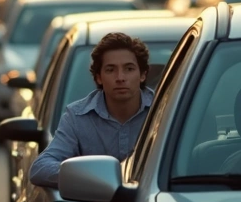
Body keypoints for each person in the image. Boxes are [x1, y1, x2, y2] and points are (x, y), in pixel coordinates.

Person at [29, 32, 153, 188]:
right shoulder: (78, 116)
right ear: (98, 78)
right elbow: (41, 168)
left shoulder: (163, 112)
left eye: (129, 69)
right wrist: (92, 177)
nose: (120, 77)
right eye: (110, 70)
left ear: (142, 75)